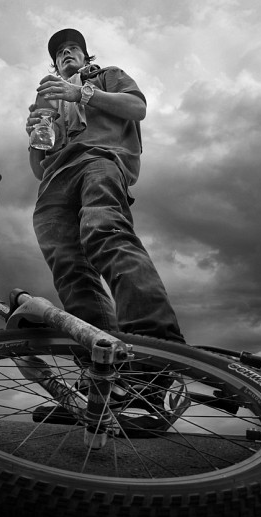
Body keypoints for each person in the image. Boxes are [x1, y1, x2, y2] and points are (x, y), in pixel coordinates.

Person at [25, 28, 185, 343]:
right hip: (55, 179)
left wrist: (81, 94)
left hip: (98, 159)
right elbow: (37, 171)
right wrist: (33, 138)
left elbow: (137, 108)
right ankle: (100, 350)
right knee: (67, 265)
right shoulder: (51, 102)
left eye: (72, 47)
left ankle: (156, 340)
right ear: (55, 66)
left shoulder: (106, 75)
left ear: (85, 56)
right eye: (59, 52)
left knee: (105, 230)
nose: (65, 52)